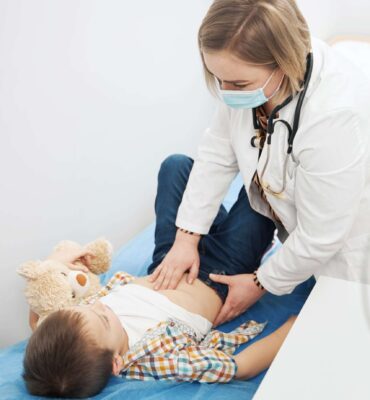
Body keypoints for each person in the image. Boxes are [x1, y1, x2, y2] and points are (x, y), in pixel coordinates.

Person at [150, 0, 370, 326]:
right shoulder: (246, 79)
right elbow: (216, 154)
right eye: (216, 78)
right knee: (177, 166)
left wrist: (260, 283)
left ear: (284, 63)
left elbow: (321, 236)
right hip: (289, 220)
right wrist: (185, 239)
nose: (225, 93)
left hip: (347, 252)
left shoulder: (335, 116)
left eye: (238, 85)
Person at [23, 250, 296, 398]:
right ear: (116, 363)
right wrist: (293, 328)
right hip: (217, 274)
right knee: (252, 205)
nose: (99, 304)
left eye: (85, 306)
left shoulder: (74, 334)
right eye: (103, 318)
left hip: (169, 262)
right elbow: (239, 368)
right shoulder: (157, 359)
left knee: (174, 169)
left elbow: (39, 322)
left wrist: (54, 262)